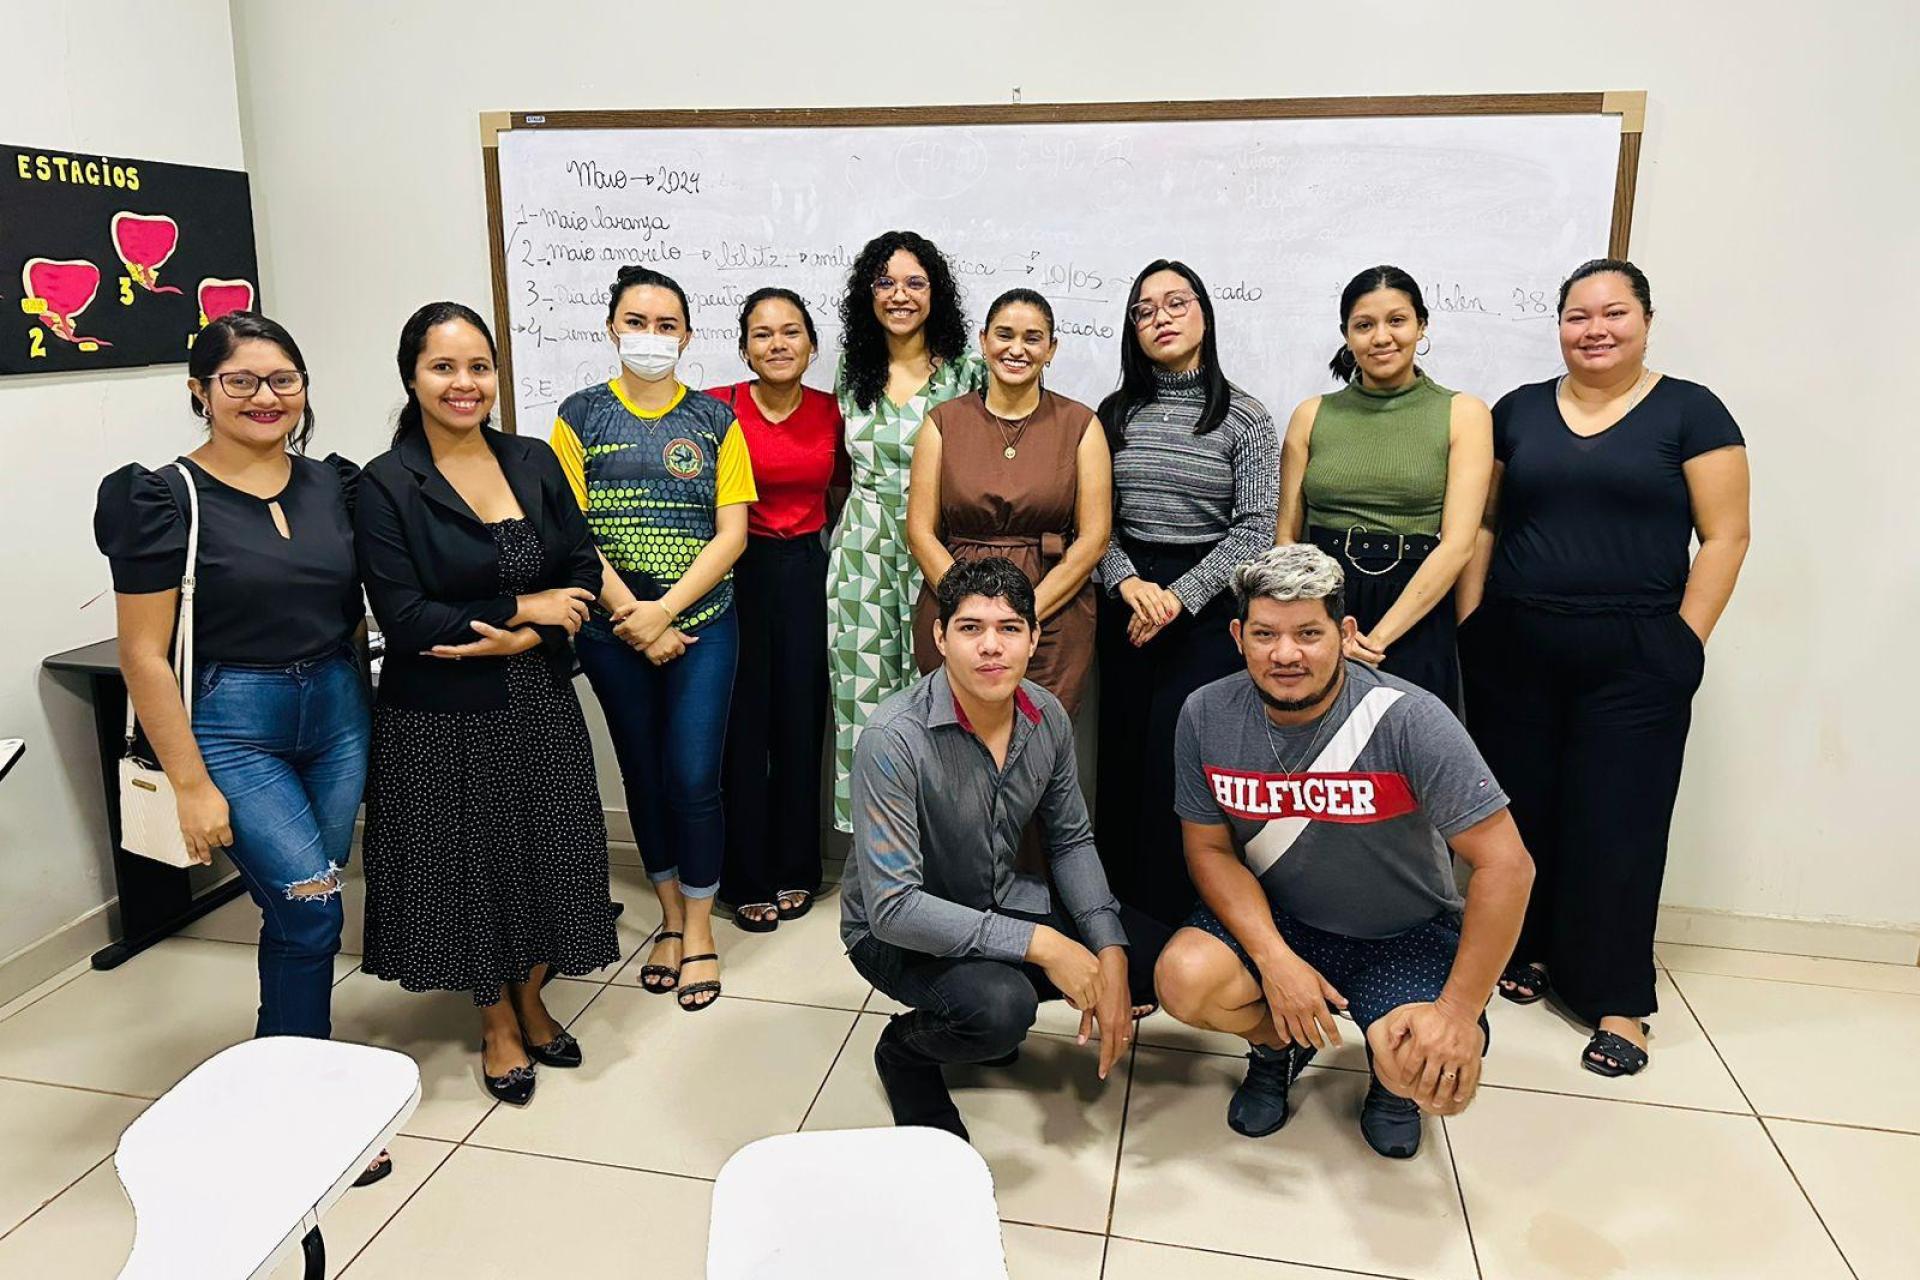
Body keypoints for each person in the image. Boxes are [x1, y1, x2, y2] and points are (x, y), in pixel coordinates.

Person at [93, 311, 391, 1183]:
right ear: (200, 390)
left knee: (306, 904)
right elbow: (143, 654)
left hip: (337, 710)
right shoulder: (162, 497)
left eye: (284, 381)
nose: (267, 398)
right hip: (233, 720)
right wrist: (190, 783)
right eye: (242, 382)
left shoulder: (334, 485)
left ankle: (287, 1072)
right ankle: (296, 1113)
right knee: (312, 912)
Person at [1456, 258, 1750, 1077]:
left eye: (1613, 313)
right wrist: (1475, 618)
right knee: (1525, 816)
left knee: (1619, 824)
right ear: (1558, 325)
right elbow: (1483, 524)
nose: (1595, 329)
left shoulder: (1693, 412)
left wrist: (1682, 642)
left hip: (1636, 655)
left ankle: (1620, 998)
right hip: (1515, 646)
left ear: (1646, 321)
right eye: (1578, 315)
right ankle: (1537, 953)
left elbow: (1725, 536)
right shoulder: (1517, 412)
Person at [1153, 544, 1533, 1159]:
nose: (1285, 654)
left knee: (1429, 1074)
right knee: (1183, 979)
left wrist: (1460, 1013)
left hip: (1402, 931)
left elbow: (1507, 864)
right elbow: (1209, 850)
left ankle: (1392, 1087)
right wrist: (1273, 958)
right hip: (1286, 920)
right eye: (1265, 634)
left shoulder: (1411, 718)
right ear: (1237, 635)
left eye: (1308, 632)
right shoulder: (1206, 712)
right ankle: (1278, 1045)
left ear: (1344, 632)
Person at [357, 302, 619, 1106]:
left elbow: (578, 566)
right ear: (412, 377)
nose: (463, 384)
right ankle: (496, 1020)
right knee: (471, 871)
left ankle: (534, 996)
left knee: (548, 854)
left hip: (536, 697)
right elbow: (402, 616)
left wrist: (531, 634)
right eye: (443, 367)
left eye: (479, 367)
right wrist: (519, 614)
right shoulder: (385, 483)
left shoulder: (533, 460)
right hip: (441, 716)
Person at [843, 557, 1170, 1142]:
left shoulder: (1045, 717)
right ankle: (906, 1051)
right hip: (894, 934)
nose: (991, 647)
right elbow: (893, 909)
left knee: (1151, 960)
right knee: (1000, 1010)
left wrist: (1108, 949)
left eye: (1010, 628)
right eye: (971, 628)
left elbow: (1070, 840)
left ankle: (988, 1010)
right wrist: (1045, 945)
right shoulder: (892, 740)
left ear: (1034, 635)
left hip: (997, 897)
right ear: (940, 637)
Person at [554, 266, 755, 1010]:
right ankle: (669, 918)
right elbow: (571, 534)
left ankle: (700, 926)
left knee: (693, 777)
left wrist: (664, 611)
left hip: (703, 626)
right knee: (641, 773)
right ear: (612, 328)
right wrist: (632, 617)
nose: (651, 337)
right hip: (613, 635)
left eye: (666, 325)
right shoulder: (578, 418)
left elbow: (733, 535)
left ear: (688, 336)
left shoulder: (714, 421)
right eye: (636, 322)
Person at [1094, 260, 1279, 926]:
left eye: (1176, 303)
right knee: (1119, 759)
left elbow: (1256, 529)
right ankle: (1115, 921)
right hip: (1128, 602)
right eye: (1145, 310)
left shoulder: (1246, 418)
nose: (1161, 318)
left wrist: (1180, 596)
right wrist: (1128, 583)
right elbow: (1094, 522)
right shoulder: (1113, 415)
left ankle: (1179, 922)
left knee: (1183, 769)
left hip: (1206, 611)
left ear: (1205, 313)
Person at [1276, 266, 1492, 708]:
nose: (1381, 337)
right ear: (1346, 335)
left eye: (1397, 321)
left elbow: (1457, 545)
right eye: (1364, 325)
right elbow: (1286, 537)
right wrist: (1319, 624)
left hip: (1415, 607)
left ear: (1421, 326)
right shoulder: (1311, 415)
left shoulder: (1463, 413)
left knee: (1405, 762)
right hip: (1322, 603)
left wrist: (1375, 640)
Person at [828, 230, 986, 833]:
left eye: (915, 283)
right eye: (885, 282)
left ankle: (945, 842)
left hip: (939, 551)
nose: (900, 295)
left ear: (935, 293)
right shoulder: (852, 370)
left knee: (941, 698)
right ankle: (875, 850)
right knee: (863, 704)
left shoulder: (968, 372)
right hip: (863, 554)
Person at [709, 288, 847, 931]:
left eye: (791, 332)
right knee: (742, 725)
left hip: (805, 571)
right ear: (744, 348)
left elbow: (847, 485)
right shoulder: (717, 409)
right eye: (762, 334)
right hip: (735, 569)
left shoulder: (834, 411)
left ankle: (798, 867)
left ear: (812, 345)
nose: (778, 344)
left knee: (800, 719)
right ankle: (745, 876)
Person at [907, 287, 1110, 714]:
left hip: (1052, 611)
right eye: (1004, 335)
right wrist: (970, 610)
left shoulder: (1082, 425)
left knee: (1036, 750)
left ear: (1051, 349)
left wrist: (1023, 615)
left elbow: (1093, 539)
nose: (1017, 349)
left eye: (1033, 338)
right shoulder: (942, 423)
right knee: (954, 745)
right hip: (957, 605)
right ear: (983, 341)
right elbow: (921, 532)